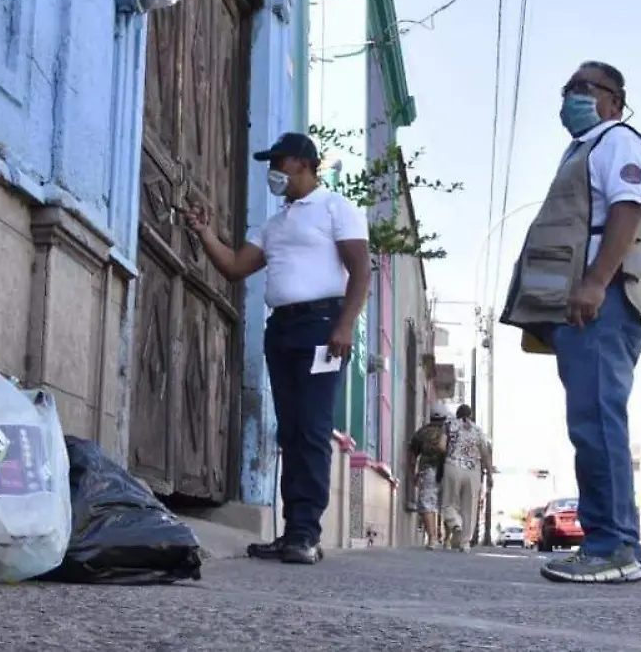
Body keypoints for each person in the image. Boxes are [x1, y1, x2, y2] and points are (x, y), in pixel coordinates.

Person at [499, 61, 641, 584]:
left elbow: (628, 207)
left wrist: (593, 282)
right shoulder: (586, 148)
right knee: (590, 424)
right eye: (567, 88)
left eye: (583, 89)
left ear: (614, 100)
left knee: (597, 422)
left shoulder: (617, 140)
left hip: (606, 299)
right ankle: (609, 543)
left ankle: (615, 547)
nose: (570, 98)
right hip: (586, 304)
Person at [183, 132, 371, 565]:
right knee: (289, 431)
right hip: (282, 331)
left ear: (303, 164)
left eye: (279, 163)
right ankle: (291, 534)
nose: (274, 172)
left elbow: (360, 271)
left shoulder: (335, 208)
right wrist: (204, 233)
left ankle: (306, 533)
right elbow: (234, 266)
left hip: (323, 328)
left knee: (312, 428)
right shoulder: (274, 223)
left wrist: (344, 325)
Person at [440, 404, 491, 552]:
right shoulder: (478, 430)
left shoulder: (449, 425)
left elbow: (442, 446)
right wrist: (490, 475)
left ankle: (455, 523)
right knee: (470, 507)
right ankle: (465, 543)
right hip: (473, 471)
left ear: (457, 414)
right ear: (471, 415)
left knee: (449, 502)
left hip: (453, 466)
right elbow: (485, 454)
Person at [407, 402, 453, 549]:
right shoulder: (451, 432)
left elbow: (412, 455)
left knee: (428, 503)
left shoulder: (421, 432)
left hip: (428, 470)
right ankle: (447, 539)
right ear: (445, 418)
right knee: (448, 504)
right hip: (448, 470)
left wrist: (412, 474)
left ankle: (432, 538)